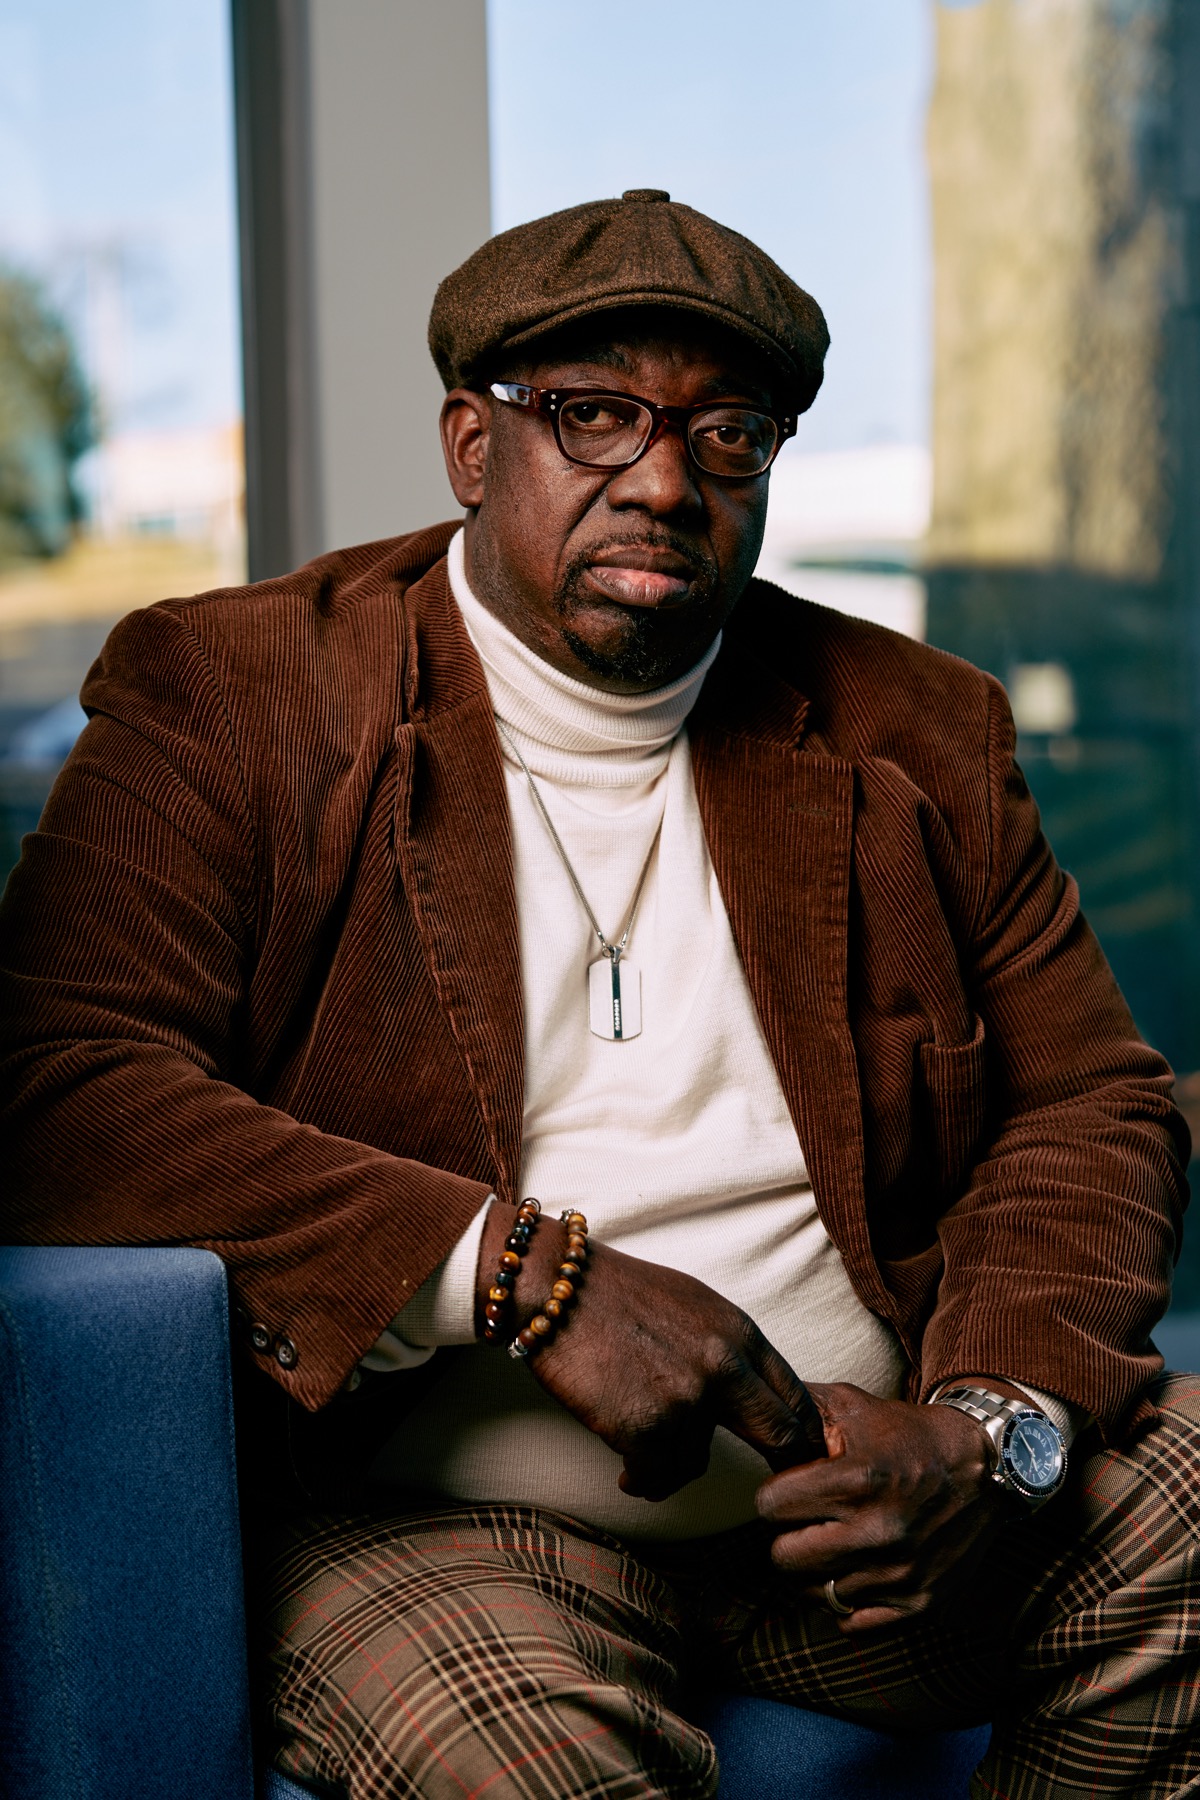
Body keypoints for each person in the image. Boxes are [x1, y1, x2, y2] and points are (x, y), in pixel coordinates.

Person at [1, 190, 1195, 1800]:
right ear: (470, 446)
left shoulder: (917, 727)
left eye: (727, 437)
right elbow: (52, 1079)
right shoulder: (236, 696)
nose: (661, 479)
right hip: (437, 1528)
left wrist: (989, 1427)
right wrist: (520, 1279)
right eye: (593, 418)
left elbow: (1089, 1101)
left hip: (858, 1498)